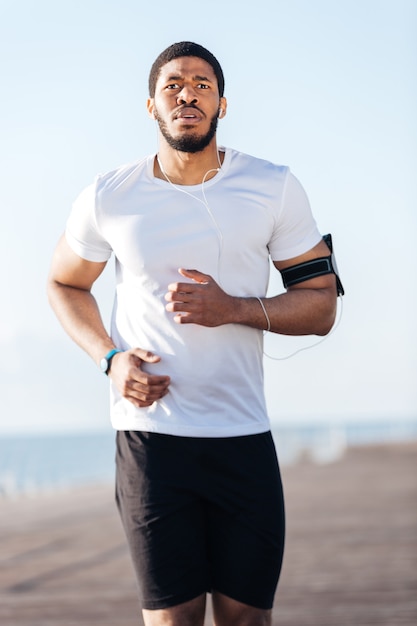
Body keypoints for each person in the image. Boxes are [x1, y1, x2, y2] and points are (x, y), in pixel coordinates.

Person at [47, 41, 338, 626]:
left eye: (203, 84)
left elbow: (321, 306)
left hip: (242, 436)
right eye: (173, 84)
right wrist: (111, 358)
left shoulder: (273, 187)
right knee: (172, 622)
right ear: (151, 106)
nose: (188, 93)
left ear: (223, 105)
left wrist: (232, 307)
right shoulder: (111, 195)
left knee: (245, 621)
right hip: (151, 443)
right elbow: (63, 284)